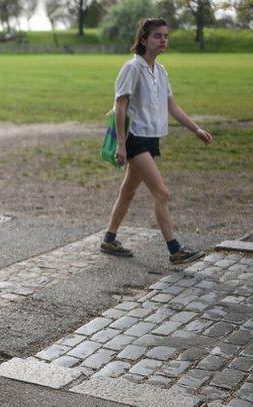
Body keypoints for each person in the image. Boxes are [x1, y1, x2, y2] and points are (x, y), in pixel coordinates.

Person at [100, 17, 212, 264]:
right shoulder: (132, 68)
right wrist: (120, 143)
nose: (163, 40)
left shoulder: (161, 71)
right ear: (143, 40)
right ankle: (175, 250)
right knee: (161, 193)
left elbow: (172, 106)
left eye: (165, 36)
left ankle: (109, 238)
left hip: (151, 139)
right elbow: (120, 107)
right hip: (134, 138)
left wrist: (196, 129)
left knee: (128, 191)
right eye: (157, 36)